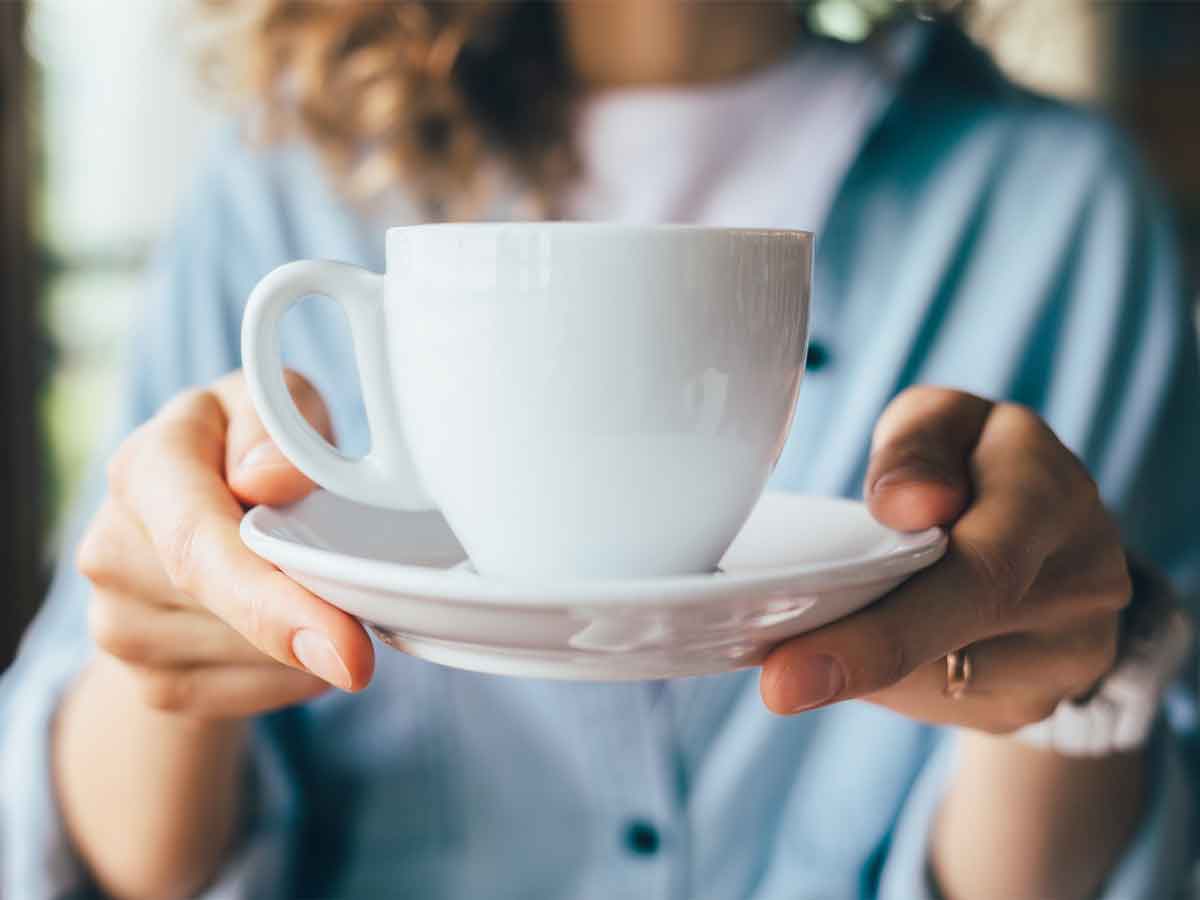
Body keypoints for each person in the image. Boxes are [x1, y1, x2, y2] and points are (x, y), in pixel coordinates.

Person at [3, 3, 1199, 898]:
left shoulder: (1064, 213)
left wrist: (1077, 691)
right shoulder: (276, 185)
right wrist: (167, 647)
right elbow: (99, 858)